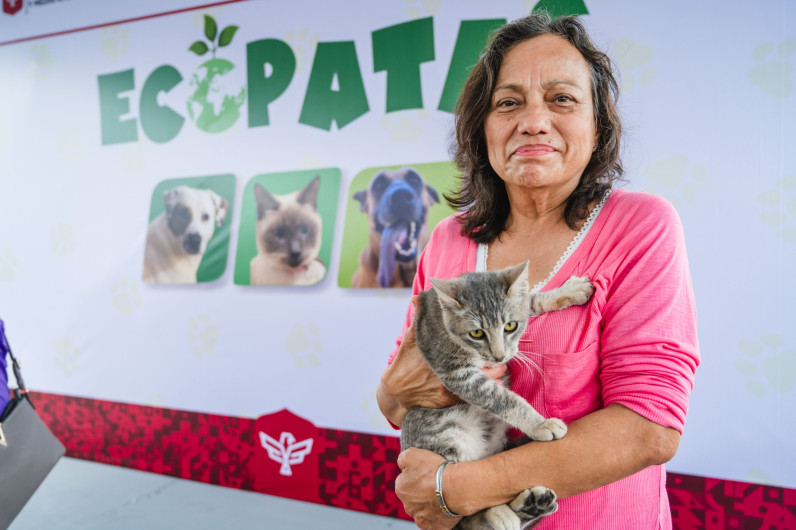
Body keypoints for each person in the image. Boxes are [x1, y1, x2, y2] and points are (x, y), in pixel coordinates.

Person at [376, 12, 700, 530]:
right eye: (508, 103)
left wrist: (451, 490)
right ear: (482, 128)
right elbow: (396, 399)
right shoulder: (448, 240)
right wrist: (395, 387)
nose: (533, 121)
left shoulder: (640, 226)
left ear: (598, 125)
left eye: (561, 99)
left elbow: (650, 430)